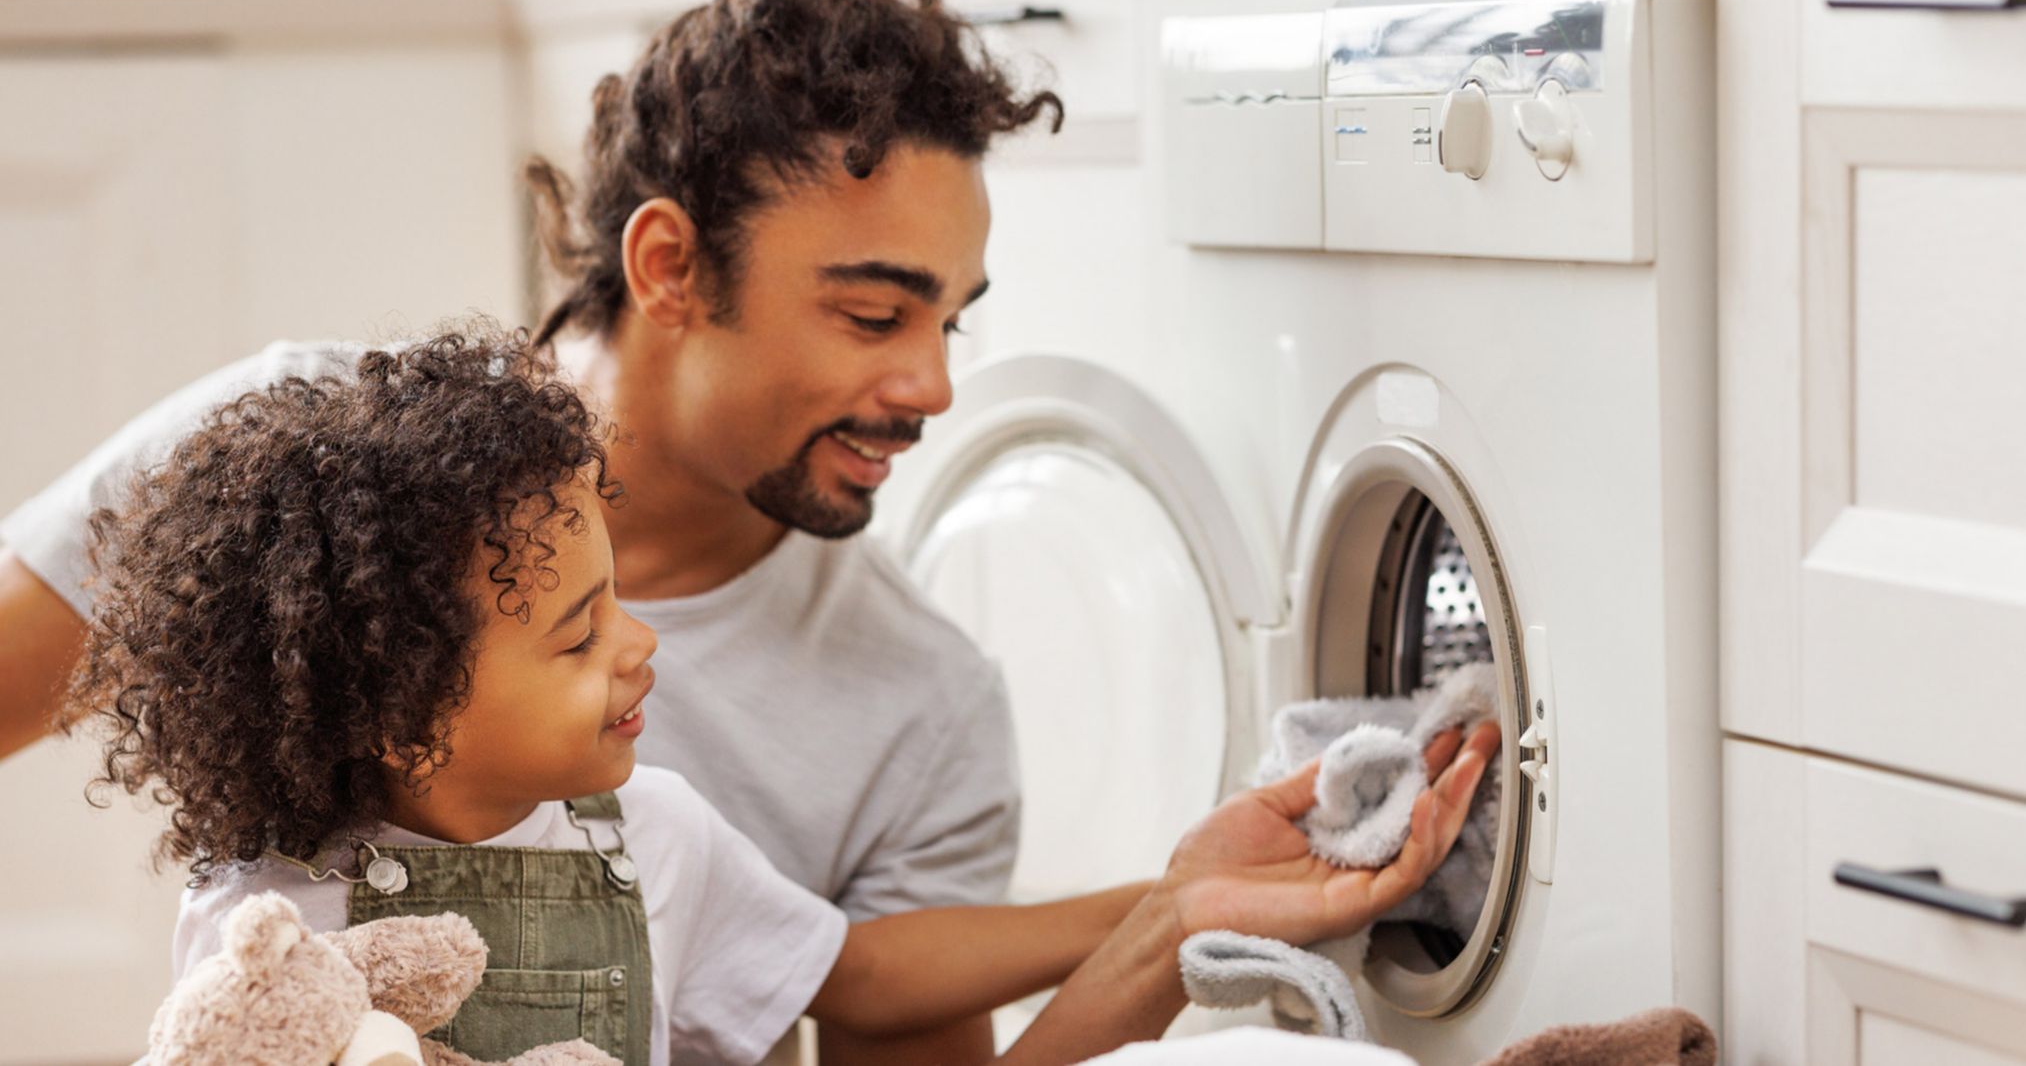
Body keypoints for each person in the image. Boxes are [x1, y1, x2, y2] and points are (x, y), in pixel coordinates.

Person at [73, 329, 1498, 1065]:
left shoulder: (654, 838)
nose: (642, 650)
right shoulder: (265, 920)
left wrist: (1171, 893)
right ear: (406, 720)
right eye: (578, 640)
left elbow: (862, 974)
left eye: (617, 600)